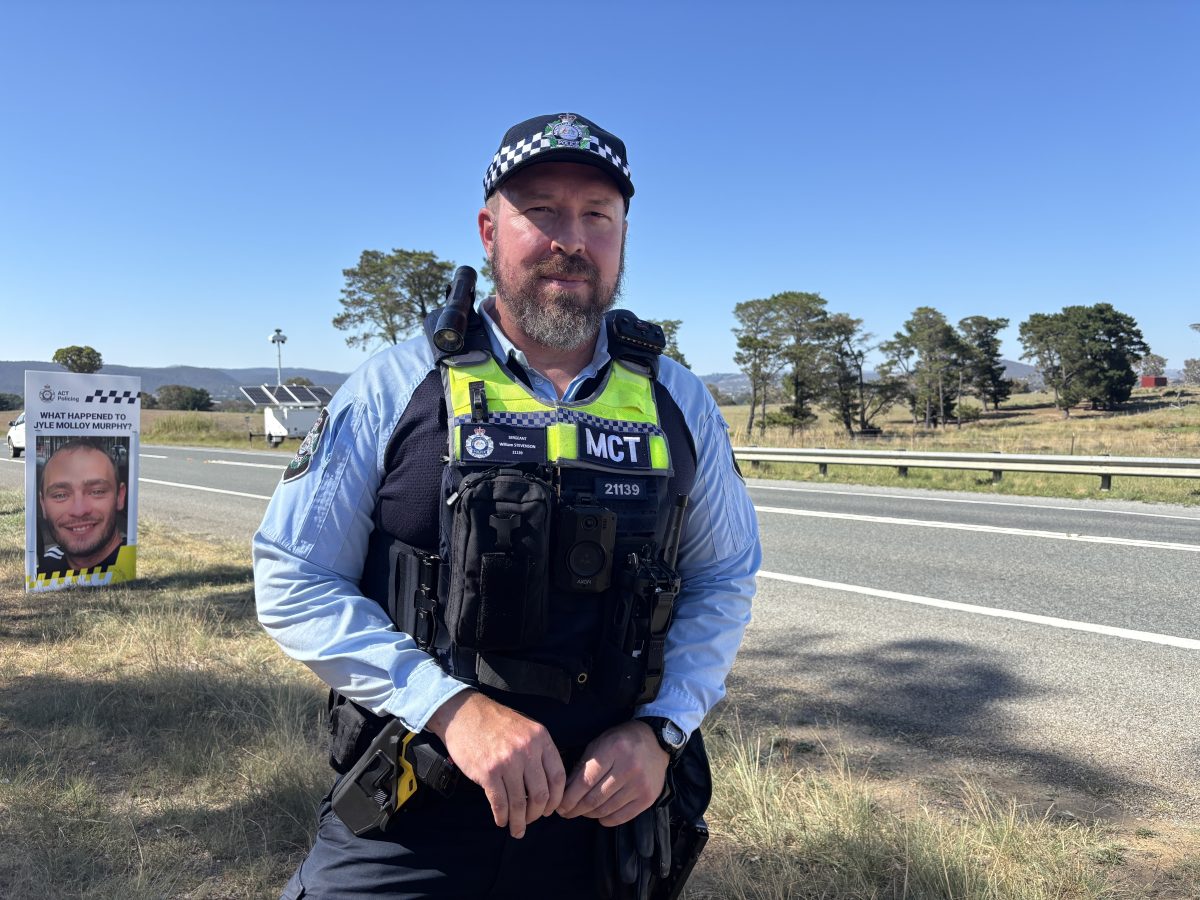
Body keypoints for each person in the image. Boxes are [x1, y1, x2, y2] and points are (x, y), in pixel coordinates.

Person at [253, 112, 761, 899]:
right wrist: (451, 708)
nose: (572, 237)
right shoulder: (397, 386)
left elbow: (723, 578)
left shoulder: (677, 400)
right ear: (489, 230)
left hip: (606, 818)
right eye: (543, 211)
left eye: (597, 215)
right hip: (414, 808)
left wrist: (662, 731)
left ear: (623, 235)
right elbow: (292, 576)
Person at [37, 438, 128, 576]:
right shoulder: (45, 565)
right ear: (43, 504)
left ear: (120, 497)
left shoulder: (139, 567)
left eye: (97, 492)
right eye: (60, 495)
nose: (79, 511)